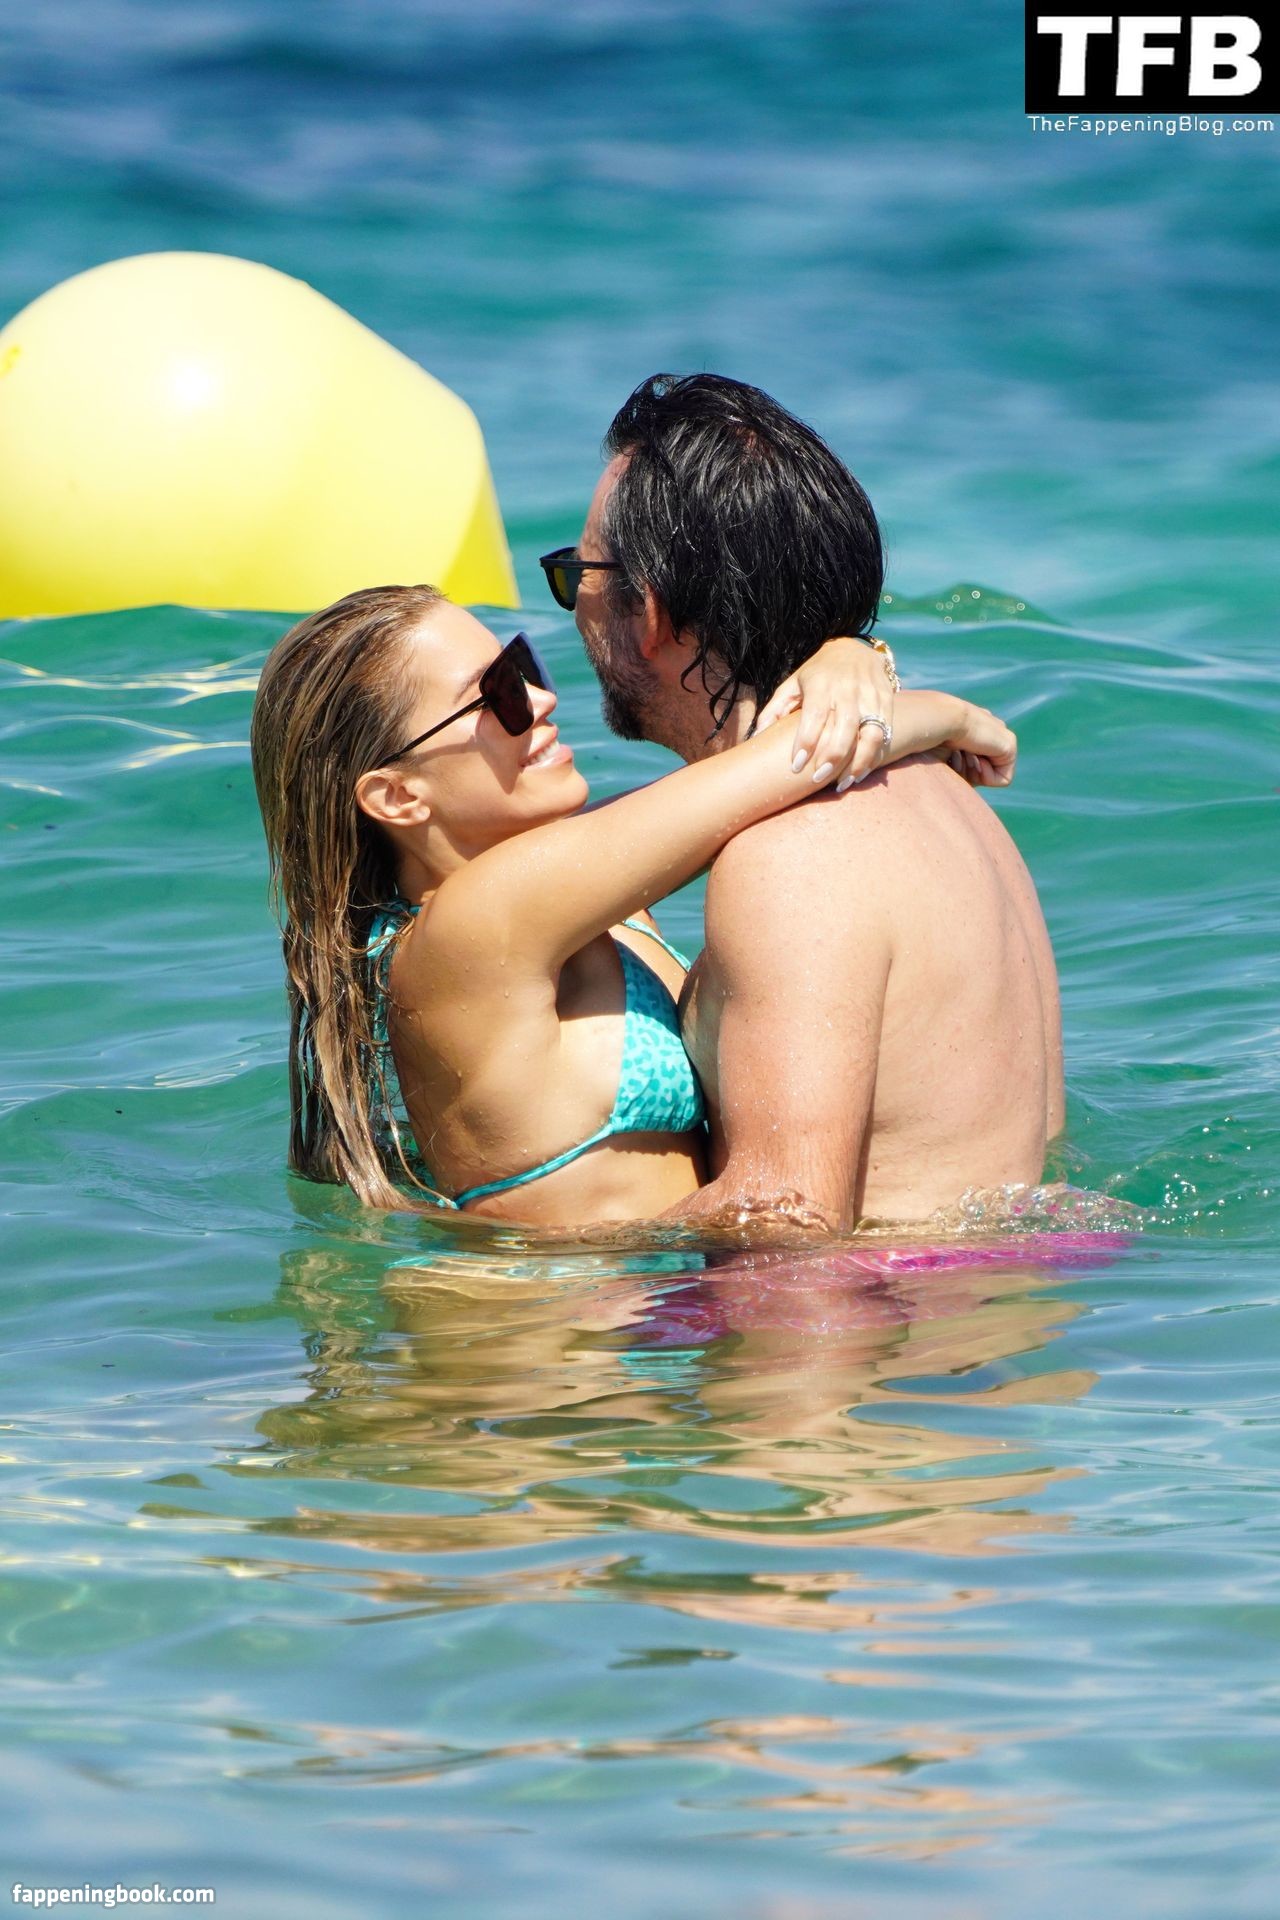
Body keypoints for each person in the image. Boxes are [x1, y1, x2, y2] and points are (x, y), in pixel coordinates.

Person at [250, 584, 1014, 1225]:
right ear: (397, 797)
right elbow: (796, 761)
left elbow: (748, 774)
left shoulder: (581, 895)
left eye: (521, 665)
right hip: (548, 1353)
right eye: (497, 696)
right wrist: (949, 714)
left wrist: (850, 657)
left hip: (648, 1335)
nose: (542, 699)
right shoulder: (469, 927)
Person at [549, 372, 1064, 1232]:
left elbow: (788, 1227)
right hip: (1007, 1302)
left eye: (580, 574)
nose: (576, 609)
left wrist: (521, 1259)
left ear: (654, 614)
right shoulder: (952, 796)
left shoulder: (792, 856)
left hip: (890, 1310)